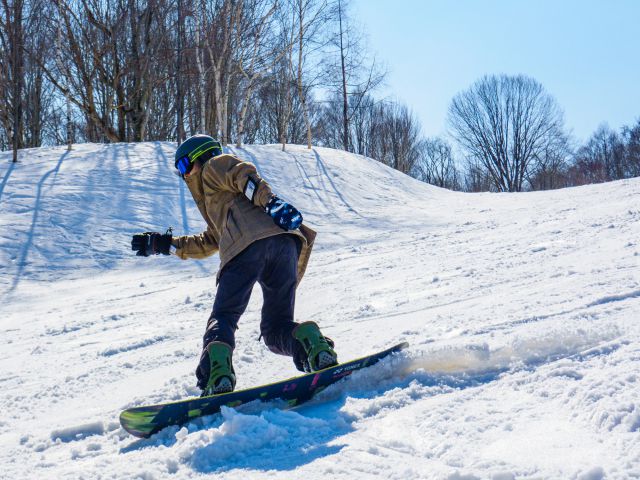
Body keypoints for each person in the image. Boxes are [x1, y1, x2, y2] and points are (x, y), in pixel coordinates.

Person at [131, 134, 338, 396]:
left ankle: (218, 375)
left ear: (202, 156)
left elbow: (240, 173)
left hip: (246, 250)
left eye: (183, 166)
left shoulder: (214, 166)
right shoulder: (216, 201)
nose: (183, 175)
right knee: (276, 329)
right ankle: (311, 343)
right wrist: (163, 244)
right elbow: (210, 241)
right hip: (284, 245)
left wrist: (270, 201)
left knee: (224, 317)